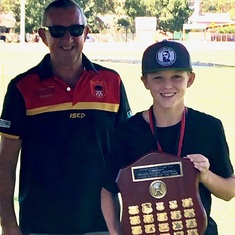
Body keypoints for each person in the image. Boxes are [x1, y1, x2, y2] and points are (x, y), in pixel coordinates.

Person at [0, 1, 131, 235]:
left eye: (76, 30)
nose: (67, 39)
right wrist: (8, 223)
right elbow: (6, 162)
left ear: (86, 32)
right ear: (43, 35)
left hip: (102, 224)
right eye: (58, 31)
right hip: (41, 225)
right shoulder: (21, 88)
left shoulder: (112, 82)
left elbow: (129, 152)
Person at [101, 40, 235, 235]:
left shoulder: (209, 127)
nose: (167, 85)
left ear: (190, 79)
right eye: (157, 78)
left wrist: (206, 176)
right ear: (145, 81)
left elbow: (229, 190)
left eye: (177, 77)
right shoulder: (126, 133)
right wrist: (115, 232)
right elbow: (108, 189)